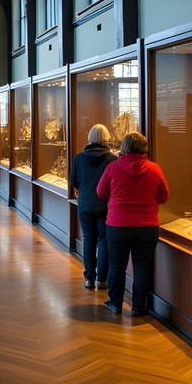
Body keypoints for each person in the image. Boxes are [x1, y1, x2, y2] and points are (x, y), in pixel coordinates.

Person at [96, 131, 169, 317]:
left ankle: (115, 303)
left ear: (124, 147)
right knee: (142, 266)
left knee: (117, 264)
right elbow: (163, 197)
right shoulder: (155, 169)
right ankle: (138, 306)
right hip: (147, 225)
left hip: (118, 225)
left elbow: (101, 192)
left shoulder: (113, 168)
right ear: (145, 147)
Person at [71, 123, 117, 290]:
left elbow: (74, 181)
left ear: (90, 138)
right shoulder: (112, 160)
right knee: (103, 240)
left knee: (89, 240)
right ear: (106, 138)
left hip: (85, 204)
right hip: (105, 205)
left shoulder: (79, 158)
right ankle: (102, 279)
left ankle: (89, 277)